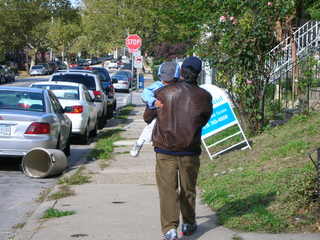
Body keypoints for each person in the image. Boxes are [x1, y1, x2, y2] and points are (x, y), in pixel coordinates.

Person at [144, 56, 212, 240]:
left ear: (181, 71)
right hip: (190, 149)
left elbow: (147, 117)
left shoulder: (163, 92)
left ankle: (169, 229)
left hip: (165, 149)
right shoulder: (204, 96)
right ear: (198, 73)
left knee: (167, 190)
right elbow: (204, 119)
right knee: (188, 188)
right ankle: (189, 222)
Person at [130, 61, 180, 157]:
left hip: (174, 115)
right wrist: (153, 101)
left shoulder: (179, 87)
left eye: (169, 80)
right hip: (161, 114)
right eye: (164, 79)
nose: (165, 82)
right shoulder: (157, 85)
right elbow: (145, 93)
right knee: (152, 126)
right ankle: (139, 142)